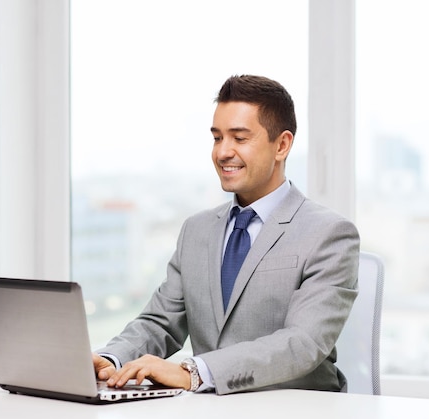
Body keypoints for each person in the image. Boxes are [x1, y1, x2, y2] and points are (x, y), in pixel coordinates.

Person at [92, 74, 360, 395]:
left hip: (294, 410)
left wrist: (193, 371)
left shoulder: (329, 233)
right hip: (208, 409)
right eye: (218, 138)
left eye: (240, 138)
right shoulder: (196, 230)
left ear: (282, 145)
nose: (223, 152)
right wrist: (112, 358)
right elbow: (161, 321)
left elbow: (303, 343)